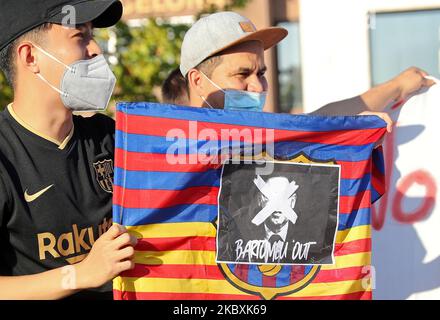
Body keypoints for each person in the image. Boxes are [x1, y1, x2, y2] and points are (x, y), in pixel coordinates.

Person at [0, 0, 137, 299]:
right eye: (81, 36)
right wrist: (79, 275)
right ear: (30, 56)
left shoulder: (112, 137)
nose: (96, 50)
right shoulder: (5, 155)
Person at [180, 11, 433, 127]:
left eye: (261, 73)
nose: (258, 87)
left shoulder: (264, 139)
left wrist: (396, 87)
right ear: (198, 80)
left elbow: (319, 120)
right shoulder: (157, 150)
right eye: (242, 74)